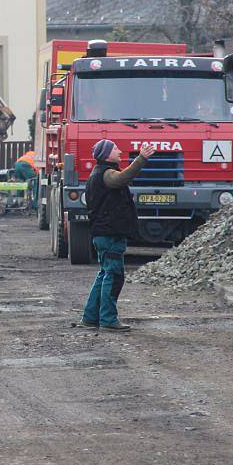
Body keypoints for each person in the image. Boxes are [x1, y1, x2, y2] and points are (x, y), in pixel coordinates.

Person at [79, 139, 155, 331]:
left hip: (103, 233)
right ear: (106, 155)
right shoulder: (106, 174)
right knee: (113, 276)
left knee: (104, 274)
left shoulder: (97, 174)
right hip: (110, 234)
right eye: (115, 149)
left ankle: (90, 318)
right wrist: (141, 159)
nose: (120, 151)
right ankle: (108, 320)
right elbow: (122, 178)